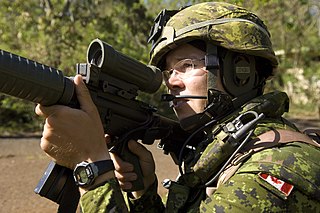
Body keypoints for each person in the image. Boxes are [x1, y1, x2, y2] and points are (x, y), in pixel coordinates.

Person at [35, 2, 320, 212]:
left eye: (186, 66)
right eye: (169, 72)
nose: (171, 82)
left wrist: (92, 166)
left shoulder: (275, 169)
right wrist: (143, 194)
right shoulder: (231, 150)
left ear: (240, 72)